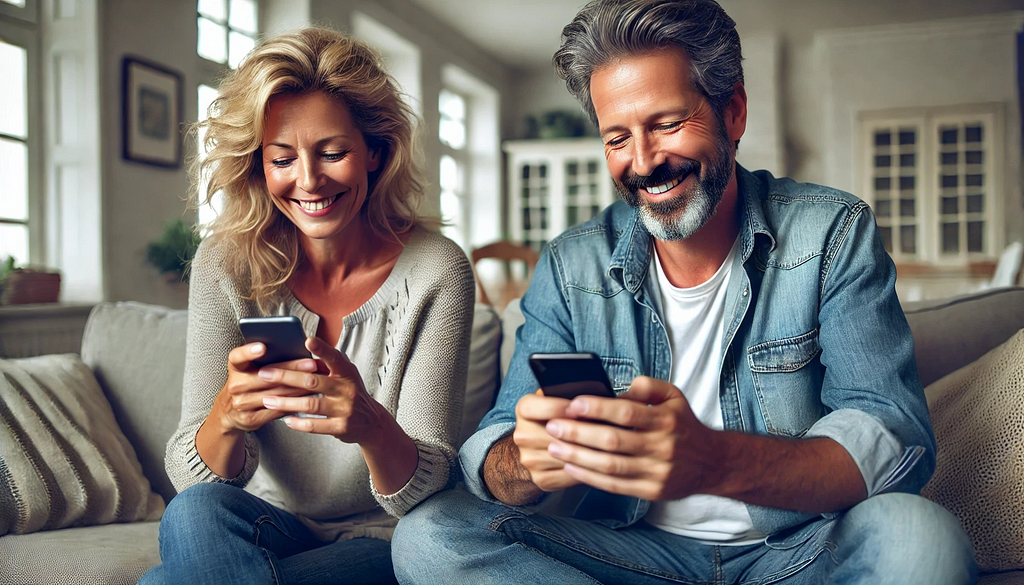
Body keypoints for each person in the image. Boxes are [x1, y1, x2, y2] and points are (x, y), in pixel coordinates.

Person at [392, 1, 976, 583]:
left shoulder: (831, 233)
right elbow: (491, 449)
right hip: (629, 554)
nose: (643, 162)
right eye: (617, 138)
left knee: (920, 538)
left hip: (799, 551)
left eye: (667, 124)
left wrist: (713, 462)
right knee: (429, 536)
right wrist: (526, 462)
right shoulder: (571, 265)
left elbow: (893, 437)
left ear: (735, 113)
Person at [139, 27, 475, 585]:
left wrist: (368, 424)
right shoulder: (225, 263)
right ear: (258, 164)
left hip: (384, 542)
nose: (308, 180)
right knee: (194, 512)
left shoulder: (436, 269)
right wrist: (228, 414)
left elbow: (428, 487)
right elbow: (195, 482)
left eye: (333, 152)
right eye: (282, 159)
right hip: (270, 524)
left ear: (375, 150)